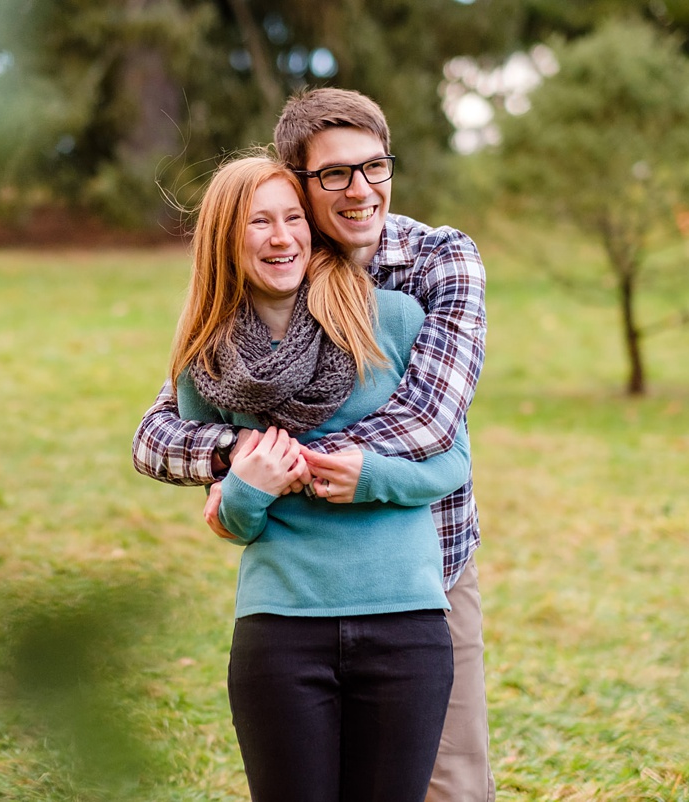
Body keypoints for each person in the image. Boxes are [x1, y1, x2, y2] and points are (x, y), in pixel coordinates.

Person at [133, 88, 492, 801]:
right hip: (295, 607)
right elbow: (158, 430)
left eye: (375, 167)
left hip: (428, 570)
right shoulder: (268, 278)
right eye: (334, 175)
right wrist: (239, 461)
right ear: (296, 183)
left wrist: (291, 461)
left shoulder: (434, 267)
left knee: (450, 785)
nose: (360, 191)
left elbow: (432, 429)